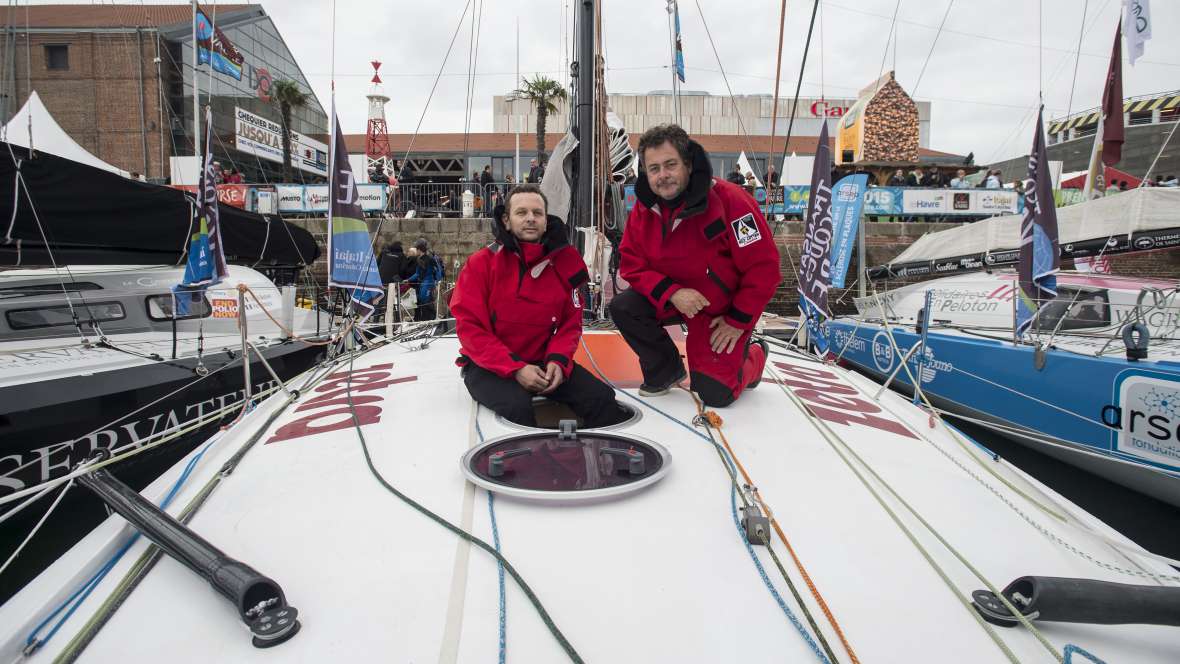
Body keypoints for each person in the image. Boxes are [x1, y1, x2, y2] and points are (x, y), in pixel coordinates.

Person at [609, 124, 780, 407]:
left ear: (688, 164)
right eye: (653, 169)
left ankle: (755, 357)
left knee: (715, 394)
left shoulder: (732, 202)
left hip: (719, 311)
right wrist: (673, 292)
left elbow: (764, 269)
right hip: (674, 298)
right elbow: (631, 263)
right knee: (624, 307)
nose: (662, 176)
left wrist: (738, 321)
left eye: (670, 165)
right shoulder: (644, 208)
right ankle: (665, 370)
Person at [450, 184, 628, 428]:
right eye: (521, 213)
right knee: (517, 407)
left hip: (544, 362)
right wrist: (515, 368)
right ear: (507, 220)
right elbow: (470, 328)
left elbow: (570, 322)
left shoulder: (567, 263)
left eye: (537, 213)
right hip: (488, 365)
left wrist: (558, 361)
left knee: (601, 399)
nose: (530, 218)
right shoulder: (481, 264)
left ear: (546, 220)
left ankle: (591, 460)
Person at [408, 238, 445, 321]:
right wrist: (408, 280)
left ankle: (429, 318)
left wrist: (437, 281)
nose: (416, 251)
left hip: (429, 282)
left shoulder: (430, 259)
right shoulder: (419, 259)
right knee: (422, 300)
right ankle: (426, 318)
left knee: (426, 300)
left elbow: (437, 270)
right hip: (422, 283)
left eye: (416, 249)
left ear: (419, 250)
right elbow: (417, 273)